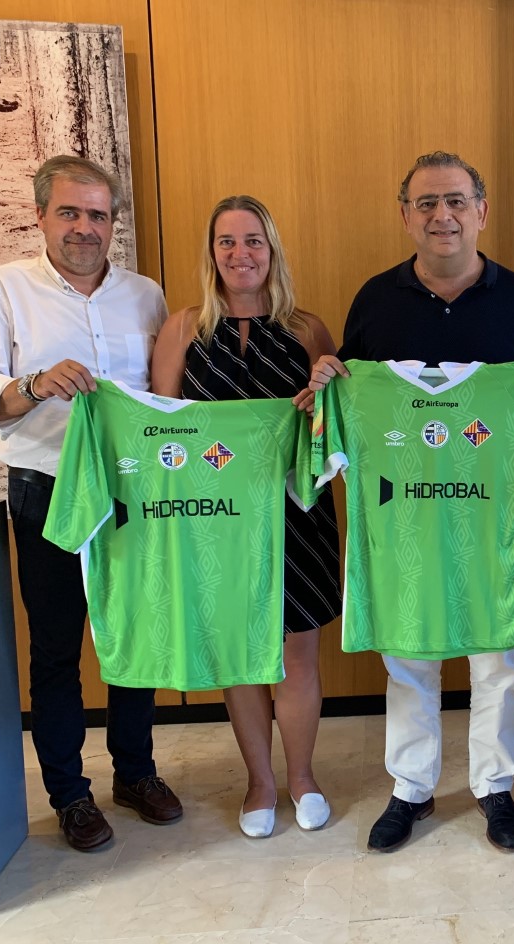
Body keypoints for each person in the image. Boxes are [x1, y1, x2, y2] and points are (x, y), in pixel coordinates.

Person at [309, 151, 514, 853]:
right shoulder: (375, 300)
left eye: (455, 200)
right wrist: (331, 379)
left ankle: (494, 786)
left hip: (491, 523)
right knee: (409, 657)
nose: (441, 215)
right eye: (425, 203)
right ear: (405, 216)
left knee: (496, 661)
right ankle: (411, 787)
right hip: (407, 524)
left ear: (481, 211)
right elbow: (353, 400)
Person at [0, 155, 182, 851]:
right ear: (42, 216)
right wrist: (33, 385)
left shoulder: (145, 295)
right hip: (46, 489)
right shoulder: (6, 287)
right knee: (56, 648)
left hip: (133, 491)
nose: (85, 227)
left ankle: (135, 773)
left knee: (134, 636)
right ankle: (70, 794)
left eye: (98, 215)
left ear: (113, 223)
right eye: (70, 213)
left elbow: (166, 395)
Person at [150, 195, 341, 838]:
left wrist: (321, 399)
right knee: (240, 656)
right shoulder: (182, 330)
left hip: (298, 515)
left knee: (296, 655)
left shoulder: (308, 330)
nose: (240, 254)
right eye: (226, 241)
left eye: (253, 240)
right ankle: (260, 783)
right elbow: (164, 433)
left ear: (272, 249)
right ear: (212, 253)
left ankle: (303, 777)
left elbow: (335, 425)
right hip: (218, 520)